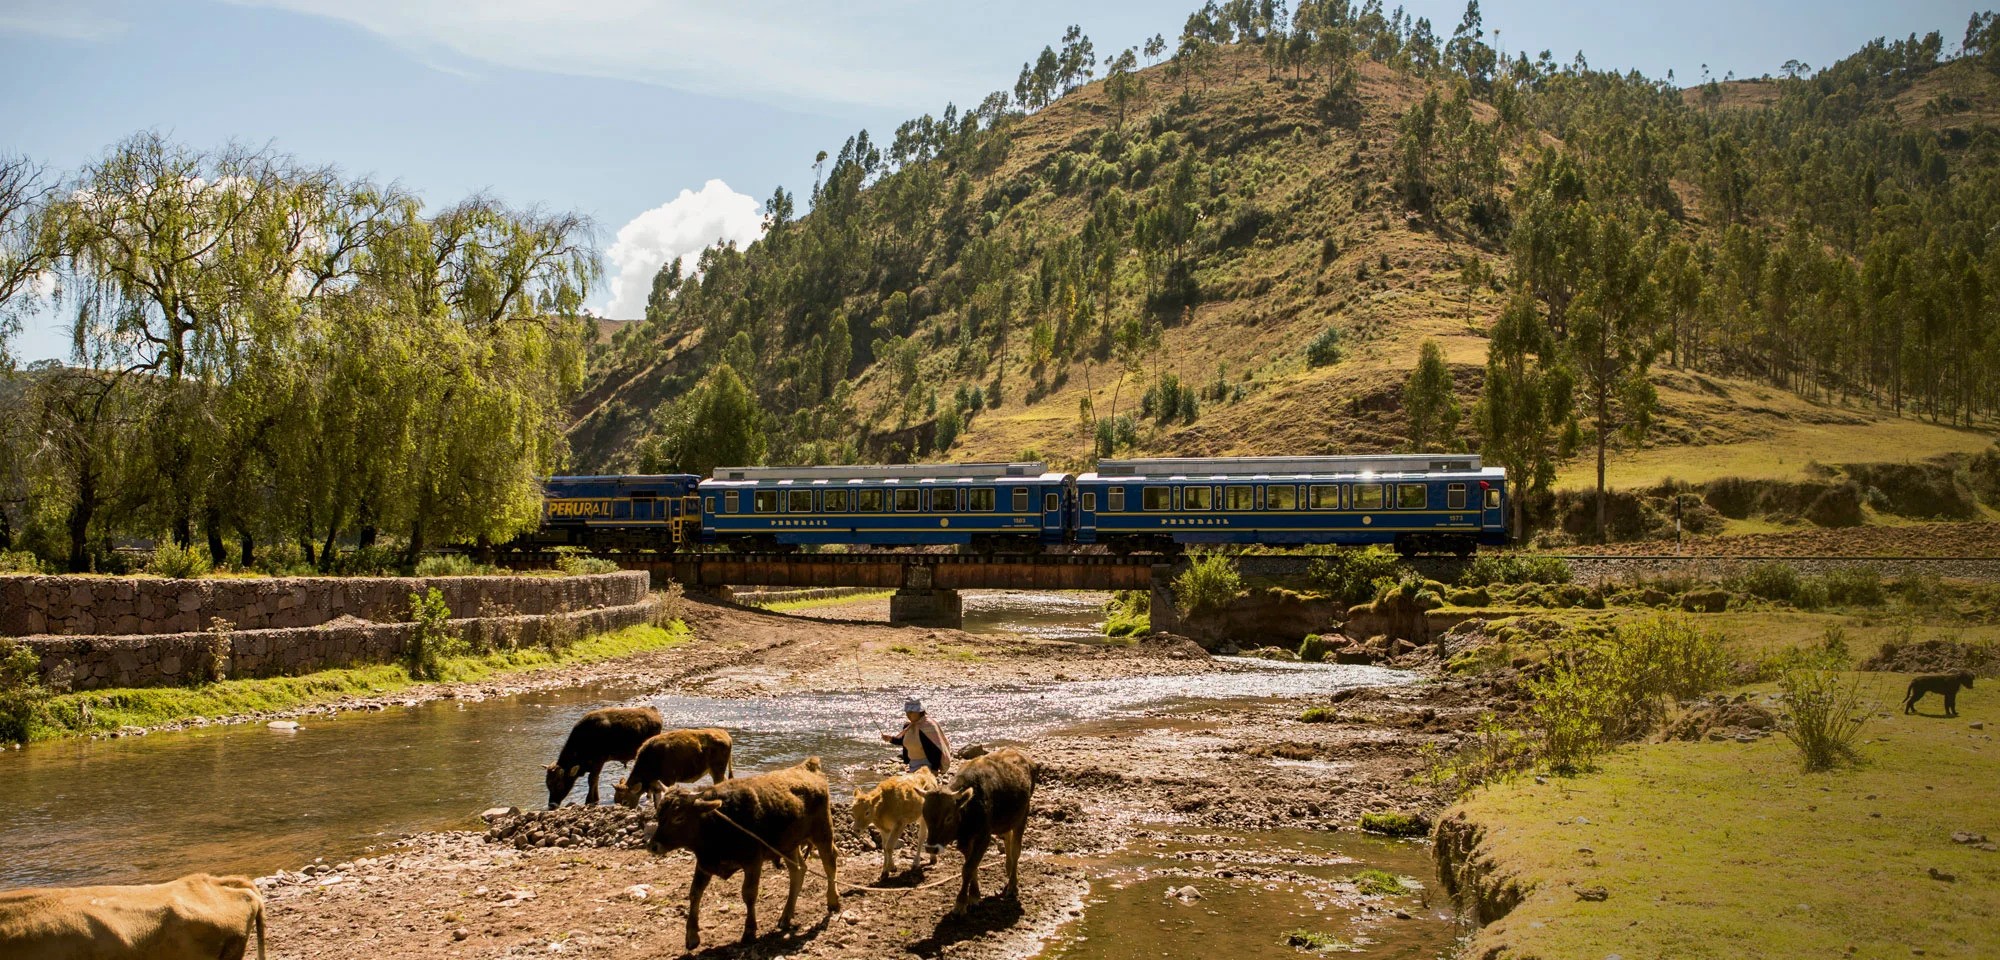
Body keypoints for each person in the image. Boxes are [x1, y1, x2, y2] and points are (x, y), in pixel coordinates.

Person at [882, 698, 952, 774]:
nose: (908, 715)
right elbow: (905, 741)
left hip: (927, 765)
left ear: (919, 712)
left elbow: (936, 749)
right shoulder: (908, 726)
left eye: (911, 712)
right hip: (912, 764)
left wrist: (934, 769)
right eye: (907, 712)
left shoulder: (928, 726)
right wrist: (891, 739)